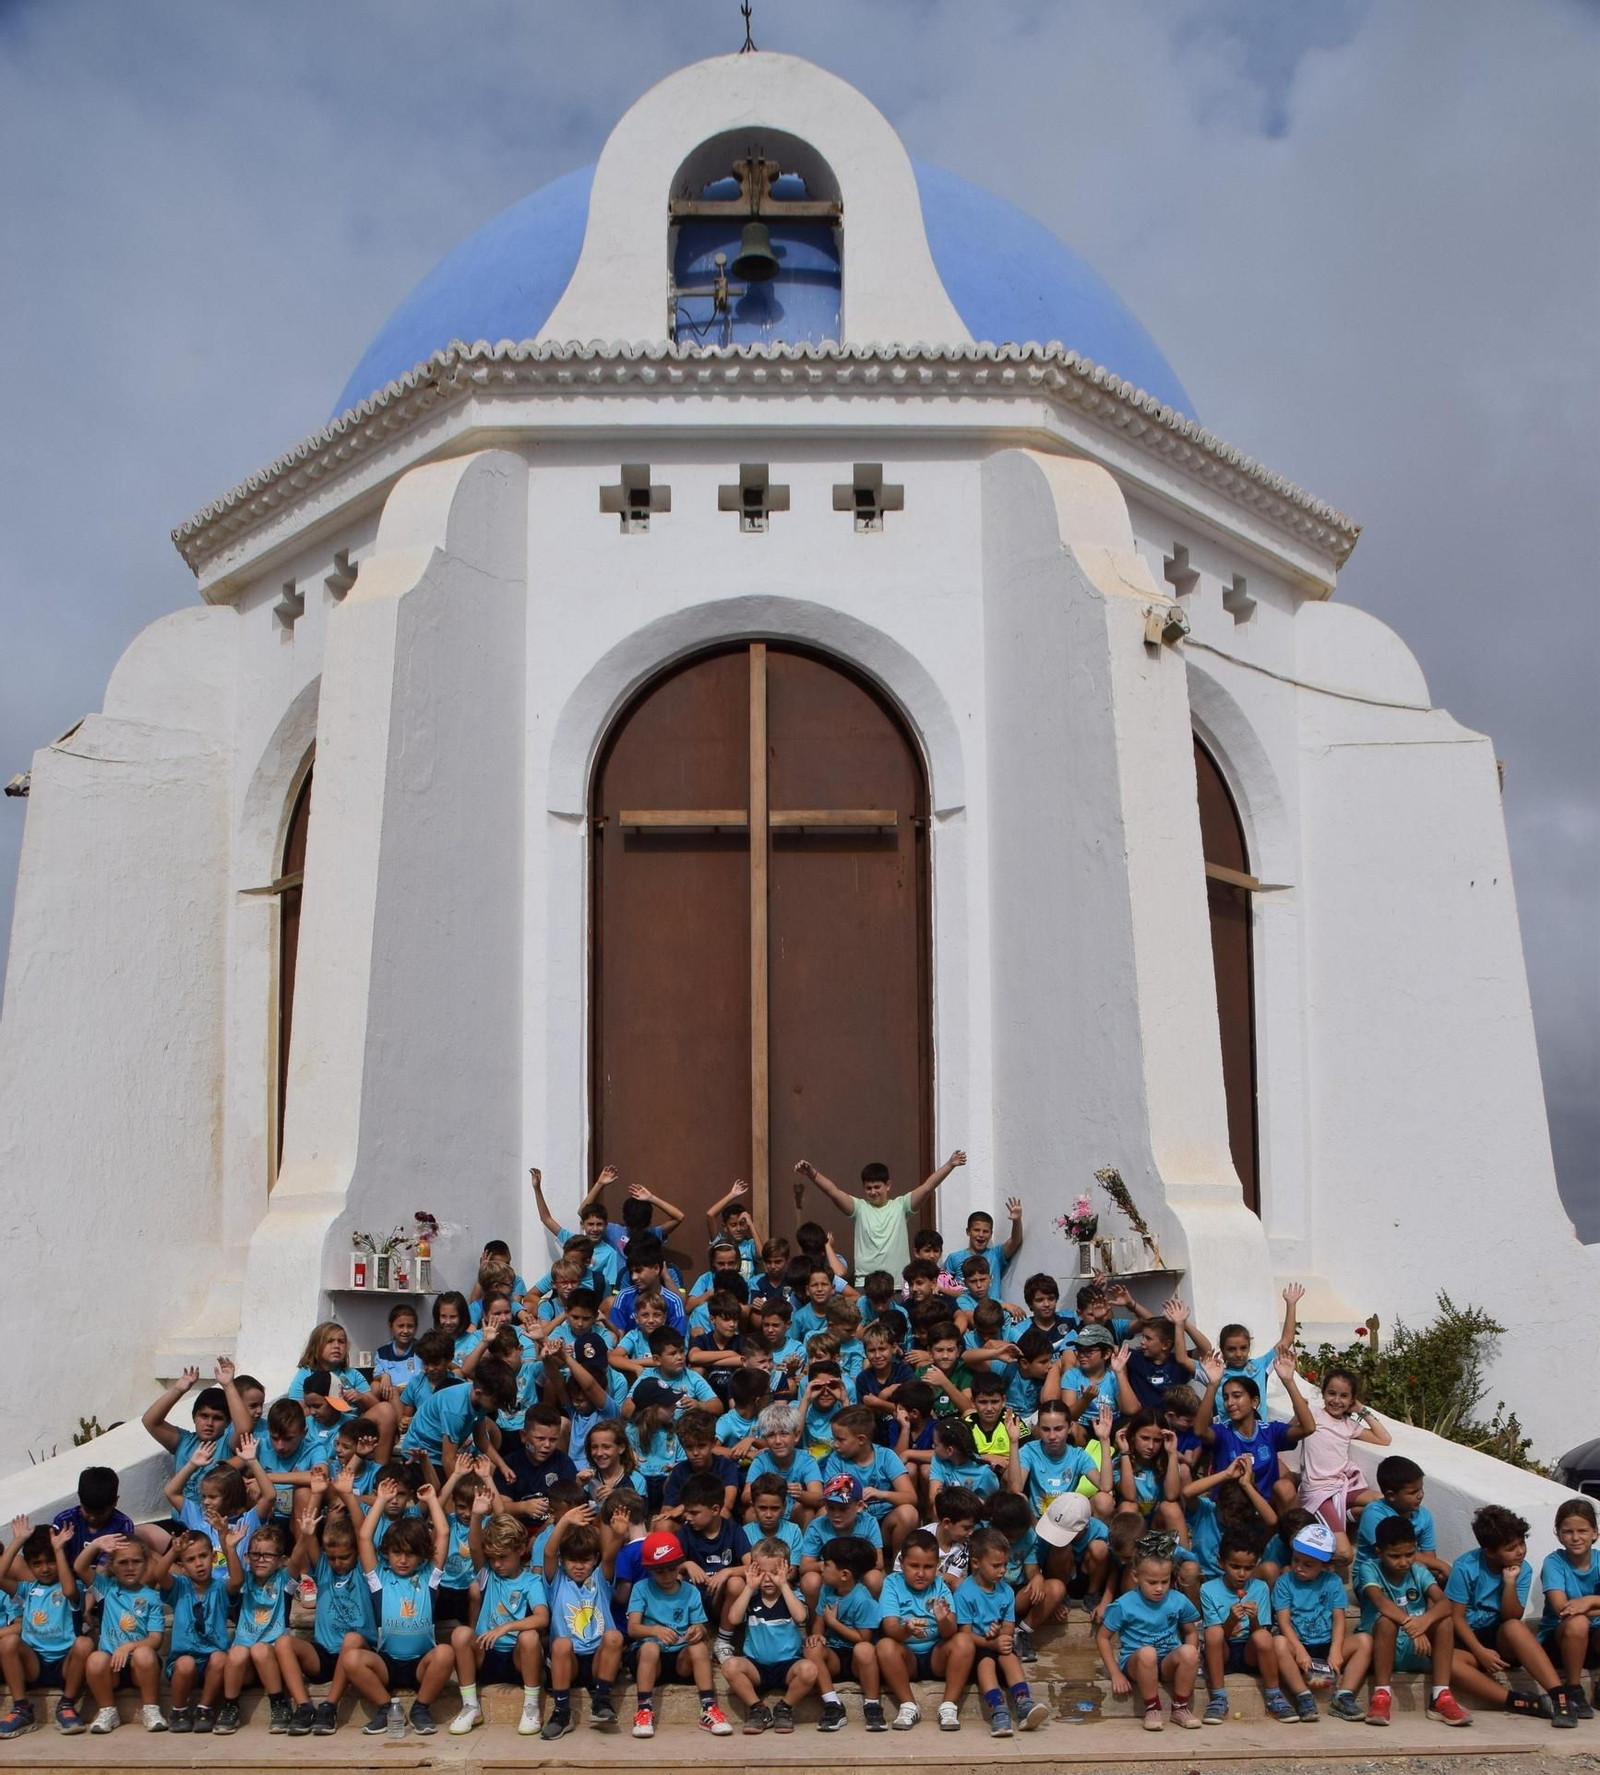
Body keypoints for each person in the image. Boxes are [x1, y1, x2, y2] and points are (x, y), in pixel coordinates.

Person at [341, 1476, 460, 1738]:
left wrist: (430, 1501)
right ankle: (384, 1708)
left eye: (411, 1554)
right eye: (396, 1553)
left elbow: (443, 1533)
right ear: (387, 1554)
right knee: (350, 1658)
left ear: (422, 1556)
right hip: (386, 1663)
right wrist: (381, 1500)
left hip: (421, 1665)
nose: (403, 1560)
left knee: (445, 1653)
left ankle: (421, 1708)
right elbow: (363, 1537)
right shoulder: (379, 1578)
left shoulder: (429, 1576)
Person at [1443, 1504, 1577, 1726]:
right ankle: (1522, 1702)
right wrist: (1479, 1651)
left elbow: (1512, 1615)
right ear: (1490, 1551)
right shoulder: (1465, 1567)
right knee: (1447, 1662)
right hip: (1469, 1641)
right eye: (1511, 1547)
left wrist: (1509, 1583)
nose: (1520, 1551)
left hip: (1500, 1638)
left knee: (1515, 1626)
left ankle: (1560, 1698)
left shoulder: (1521, 1568)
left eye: (1522, 1543)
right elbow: (1455, 1617)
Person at [1353, 1514, 1468, 1727]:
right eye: (1395, 1556)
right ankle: (1381, 1695)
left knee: (1445, 1622)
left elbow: (1445, 1603)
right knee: (1387, 1620)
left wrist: (1424, 1622)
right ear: (1380, 1551)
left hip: (1416, 1648)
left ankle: (1441, 1696)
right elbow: (1380, 1602)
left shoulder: (1418, 1570)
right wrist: (1413, 1626)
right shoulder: (1369, 1568)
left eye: (1409, 1554)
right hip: (1380, 1647)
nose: (1404, 1562)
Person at [793, 1150, 966, 1284]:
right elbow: (833, 1192)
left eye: (877, 1187)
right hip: (866, 1283)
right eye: (869, 1188)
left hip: (898, 1284)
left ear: (888, 1185)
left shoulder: (901, 1206)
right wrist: (812, 1174)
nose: (873, 1192)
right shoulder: (859, 1208)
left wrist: (950, 1165)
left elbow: (928, 1187)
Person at [452, 1498, 546, 1738]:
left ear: (520, 1550)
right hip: (487, 1654)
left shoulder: (531, 1581)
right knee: (461, 1633)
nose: (497, 1563)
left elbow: (542, 1618)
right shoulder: (488, 1574)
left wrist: (506, 1628)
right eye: (492, 1557)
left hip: (516, 1659)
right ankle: (471, 1706)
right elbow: (474, 1547)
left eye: (503, 1557)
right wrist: (476, 1515)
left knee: (529, 1637)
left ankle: (531, 1705)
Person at [625, 1530, 731, 1739]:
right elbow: (633, 1628)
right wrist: (654, 1630)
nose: (666, 1576)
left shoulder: (690, 1591)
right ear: (650, 1570)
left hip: (680, 1658)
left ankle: (709, 1709)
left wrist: (696, 1631)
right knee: (650, 1647)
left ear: (679, 1566)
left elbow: (702, 1627)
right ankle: (644, 1710)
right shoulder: (641, 1588)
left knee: (700, 1646)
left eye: (672, 1570)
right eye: (660, 1572)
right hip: (649, 1660)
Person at [292, 1475, 374, 1736]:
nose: (337, 1562)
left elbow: (363, 1535)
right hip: (326, 1654)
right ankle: (304, 1707)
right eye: (333, 1557)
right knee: (283, 1643)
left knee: (351, 1638)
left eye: (344, 1557)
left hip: (357, 1651)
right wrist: (316, 1495)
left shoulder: (363, 1571)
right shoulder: (325, 1570)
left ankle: (329, 1706)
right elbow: (309, 1536)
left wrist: (348, 1496)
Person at [1097, 1533, 1203, 1731]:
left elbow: (1190, 1632)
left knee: (1189, 1651)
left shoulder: (1178, 1600)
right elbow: (1102, 1638)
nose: (1160, 1588)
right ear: (1136, 1576)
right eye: (1152, 1582)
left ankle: (1180, 1708)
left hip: (1168, 1660)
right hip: (1137, 1663)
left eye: (1165, 1581)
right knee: (1148, 1653)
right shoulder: (1124, 1604)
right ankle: (1153, 1708)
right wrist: (1115, 1674)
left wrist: (1190, 1661)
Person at [69, 1531, 167, 1735]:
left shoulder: (152, 1597)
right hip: (111, 1668)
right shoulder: (105, 1588)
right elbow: (79, 1567)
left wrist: (129, 1647)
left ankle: (151, 1709)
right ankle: (107, 1711)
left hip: (139, 1667)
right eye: (123, 1562)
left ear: (146, 1563)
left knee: (144, 1653)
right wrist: (96, 1544)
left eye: (136, 1561)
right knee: (95, 1659)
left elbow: (156, 1640)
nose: (130, 1567)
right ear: (112, 1565)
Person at [952, 1526, 1048, 1735]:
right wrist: (990, 1642)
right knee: (986, 1661)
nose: (1003, 1571)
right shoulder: (964, 1593)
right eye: (996, 1566)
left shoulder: (1005, 1591)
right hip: (977, 1648)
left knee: (1008, 1655)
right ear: (976, 1563)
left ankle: (1024, 1703)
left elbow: (1008, 1626)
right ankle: (998, 1710)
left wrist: (1001, 1636)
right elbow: (965, 1634)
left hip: (997, 1643)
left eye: (1005, 1564)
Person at [1191, 1352, 1315, 1513]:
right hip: (1231, 1512)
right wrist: (1213, 1385)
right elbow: (1200, 1431)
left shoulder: (1270, 1431)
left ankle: (1288, 1535)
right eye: (1226, 1398)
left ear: (1254, 1402)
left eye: (1236, 1396)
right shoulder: (1223, 1432)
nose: (1230, 1403)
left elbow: (1308, 1428)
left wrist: (1289, 1381)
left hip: (1264, 1512)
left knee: (1285, 1487)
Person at [1273, 1519, 1371, 1722]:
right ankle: (1303, 1696)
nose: (1299, 1568)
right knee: (1278, 1643)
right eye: (1295, 1560)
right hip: (1298, 1646)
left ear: (1324, 1565)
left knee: (1365, 1641)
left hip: (1326, 1646)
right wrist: (1299, 1650)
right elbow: (1283, 1621)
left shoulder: (1333, 1582)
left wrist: (1335, 1650)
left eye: (1308, 1564)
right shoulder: (1284, 1582)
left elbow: (1338, 1619)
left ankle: (1343, 1696)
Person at [875, 1526, 970, 1730]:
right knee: (884, 1646)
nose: (920, 1573)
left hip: (935, 1655)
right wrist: (907, 1630)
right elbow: (890, 1628)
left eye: (928, 1567)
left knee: (964, 1641)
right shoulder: (892, 1583)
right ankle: (908, 1705)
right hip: (906, 1656)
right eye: (913, 1566)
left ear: (937, 1566)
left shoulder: (939, 1585)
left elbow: (950, 1632)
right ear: (901, 1563)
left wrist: (943, 1620)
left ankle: (949, 1706)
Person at [719, 1537, 819, 1732]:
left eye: (774, 1573)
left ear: (788, 1572)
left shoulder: (792, 1595)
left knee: (809, 1670)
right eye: (761, 1573)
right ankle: (758, 1709)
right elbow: (733, 1618)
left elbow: (800, 1616)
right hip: (756, 1666)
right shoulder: (751, 1597)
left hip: (788, 1665)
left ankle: (784, 1708)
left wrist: (783, 1585)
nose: (767, 1579)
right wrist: (749, 1587)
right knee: (730, 1665)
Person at [541, 1507, 625, 1737]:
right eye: (572, 1560)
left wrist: (617, 1536)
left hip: (599, 1660)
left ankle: (602, 1701)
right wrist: (565, 1520)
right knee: (560, 1644)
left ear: (595, 1559)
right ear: (563, 1560)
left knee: (615, 1636)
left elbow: (610, 1557)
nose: (579, 1566)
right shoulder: (557, 1581)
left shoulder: (600, 1578)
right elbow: (548, 1553)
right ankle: (561, 1712)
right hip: (569, 1663)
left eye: (585, 1560)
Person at [0, 1517, 86, 1737]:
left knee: (84, 1643)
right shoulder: (27, 1589)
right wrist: (18, 1541)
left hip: (65, 1663)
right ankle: (21, 1709)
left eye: (51, 1561)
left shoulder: (72, 1585)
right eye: (37, 1563)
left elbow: (68, 1592)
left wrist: (59, 1550)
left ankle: (67, 1705)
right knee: (9, 1642)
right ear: (29, 1565)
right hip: (34, 1662)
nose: (45, 1569)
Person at [1199, 1529, 1294, 1722]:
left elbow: (1261, 1633)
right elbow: (1218, 1636)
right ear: (1221, 1562)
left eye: (1249, 1568)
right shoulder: (1208, 1589)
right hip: (1223, 1652)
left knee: (1264, 1636)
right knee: (1213, 1633)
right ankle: (1218, 1697)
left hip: (1250, 1652)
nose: (1242, 1574)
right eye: (1235, 1566)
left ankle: (1274, 1697)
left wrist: (1253, 1619)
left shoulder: (1259, 1588)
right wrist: (1232, 1620)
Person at [1297, 1366, 1390, 1557]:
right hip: (1318, 1491)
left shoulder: (1349, 1425)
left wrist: (1362, 1410)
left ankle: (1349, 1515)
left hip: (1342, 1487)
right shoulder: (1313, 1415)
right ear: (1323, 1393)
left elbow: (1384, 1438)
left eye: (1344, 1396)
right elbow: (1291, 1429)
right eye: (1331, 1393)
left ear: (1351, 1400)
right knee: (1345, 1554)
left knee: (1383, 1503)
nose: (1337, 1400)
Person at [148, 1529, 234, 1732]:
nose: (198, 1563)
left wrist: (226, 1543)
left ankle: (205, 1708)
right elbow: (158, 1574)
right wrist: (173, 1551)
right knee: (185, 1664)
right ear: (182, 1566)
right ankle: (179, 1710)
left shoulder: (221, 1587)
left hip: (213, 1661)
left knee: (221, 1658)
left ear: (213, 1558)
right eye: (190, 1559)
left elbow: (238, 1580)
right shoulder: (179, 1586)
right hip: (183, 1661)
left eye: (203, 1556)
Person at [809, 1534, 883, 1729]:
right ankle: (832, 1704)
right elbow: (818, 1620)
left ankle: (872, 1705)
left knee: (865, 1649)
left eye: (826, 1564)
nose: (821, 1568)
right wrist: (817, 1634)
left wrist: (833, 1623)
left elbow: (863, 1638)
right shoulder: (826, 1589)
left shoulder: (862, 1599)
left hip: (857, 1660)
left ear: (844, 1574)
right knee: (812, 1648)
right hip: (833, 1654)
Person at [141, 1367, 235, 1514]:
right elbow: (150, 1421)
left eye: (217, 1418)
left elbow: (244, 1428)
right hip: (182, 1522)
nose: (209, 1423)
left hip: (216, 1524)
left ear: (228, 1422)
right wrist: (178, 1389)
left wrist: (229, 1386)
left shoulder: (228, 1444)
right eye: (203, 1416)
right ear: (194, 1417)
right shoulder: (184, 1441)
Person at [1540, 1498, 1600, 1715]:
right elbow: (1561, 1608)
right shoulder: (1554, 1562)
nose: (1576, 1538)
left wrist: (1590, 1600)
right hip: (1559, 1640)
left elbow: (1580, 1606)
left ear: (1595, 1533)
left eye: (1582, 1531)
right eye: (1568, 1532)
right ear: (1558, 1534)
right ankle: (1574, 1690)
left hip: (1593, 1640)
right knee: (1578, 1622)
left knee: (1583, 1619)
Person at [1354, 1455, 1450, 1583]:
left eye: (1421, 1488)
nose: (1421, 1495)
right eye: (1413, 1492)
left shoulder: (1424, 1515)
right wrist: (1442, 1566)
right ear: (1391, 1495)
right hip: (1373, 1577)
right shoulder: (1374, 1514)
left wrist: (1437, 1573)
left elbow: (1429, 1557)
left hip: (1408, 1570)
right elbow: (1392, 1553)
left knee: (1440, 1580)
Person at [944, 1201, 1025, 1306]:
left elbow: (1015, 1240)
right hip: (965, 1311)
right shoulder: (954, 1258)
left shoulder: (996, 1254)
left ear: (991, 1233)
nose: (981, 1235)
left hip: (992, 1313)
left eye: (985, 1231)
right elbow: (944, 1285)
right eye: (976, 1230)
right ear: (968, 1231)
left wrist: (1017, 1220)